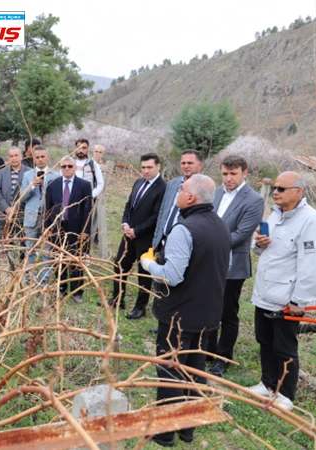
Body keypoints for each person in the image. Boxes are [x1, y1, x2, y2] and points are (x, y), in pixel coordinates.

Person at [140, 174, 230, 447]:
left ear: (191, 198)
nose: (178, 192)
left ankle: (165, 432)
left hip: (179, 315)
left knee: (170, 371)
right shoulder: (220, 226)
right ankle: (187, 428)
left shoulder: (184, 228)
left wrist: (148, 264)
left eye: (182, 189)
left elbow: (172, 275)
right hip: (207, 315)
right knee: (194, 371)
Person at [247, 171, 316, 411]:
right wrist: (258, 244)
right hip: (266, 292)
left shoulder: (310, 220)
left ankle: (285, 395)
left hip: (288, 299)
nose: (275, 192)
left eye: (281, 189)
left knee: (285, 347)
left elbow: (310, 265)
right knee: (264, 340)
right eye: (274, 188)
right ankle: (267, 383)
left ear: (298, 192)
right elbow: (260, 250)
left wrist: (300, 300)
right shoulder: (276, 216)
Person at [207, 155, 265, 376]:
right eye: (224, 174)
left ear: (244, 173)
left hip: (232, 264)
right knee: (210, 307)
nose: (228, 178)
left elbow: (241, 234)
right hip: (209, 262)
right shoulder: (216, 193)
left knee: (227, 313)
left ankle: (223, 358)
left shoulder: (254, 200)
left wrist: (207, 241)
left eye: (233, 174)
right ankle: (208, 351)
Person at [110, 153, 167, 318]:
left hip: (146, 238)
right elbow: (129, 206)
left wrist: (137, 231)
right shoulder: (139, 182)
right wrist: (125, 224)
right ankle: (117, 299)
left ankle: (140, 308)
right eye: (143, 167)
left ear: (158, 166)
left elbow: (156, 216)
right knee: (119, 266)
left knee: (144, 274)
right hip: (128, 235)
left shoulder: (163, 188)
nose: (146, 171)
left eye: (149, 167)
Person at [44, 156, 92, 302]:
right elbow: (48, 208)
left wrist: (86, 230)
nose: (66, 169)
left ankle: (77, 292)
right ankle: (61, 289)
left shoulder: (84, 185)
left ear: (75, 167)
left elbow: (88, 209)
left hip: (77, 229)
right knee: (59, 260)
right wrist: (47, 228)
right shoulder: (53, 184)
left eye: (69, 166)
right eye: (63, 166)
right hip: (58, 228)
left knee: (76, 260)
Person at [19, 145, 60, 281]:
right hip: (31, 218)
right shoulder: (27, 175)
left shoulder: (56, 175)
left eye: (43, 157)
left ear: (48, 157)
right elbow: (21, 198)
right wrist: (31, 186)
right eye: (37, 157)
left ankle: (44, 280)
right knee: (29, 249)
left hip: (48, 219)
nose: (40, 160)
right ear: (33, 159)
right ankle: (29, 277)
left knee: (48, 250)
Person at [152, 149, 205, 249]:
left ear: (200, 165)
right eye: (183, 163)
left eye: (190, 163)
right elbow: (163, 212)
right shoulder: (172, 183)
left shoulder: (204, 189)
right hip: (162, 243)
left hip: (181, 245)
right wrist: (155, 240)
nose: (186, 166)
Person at [0, 146, 30, 245]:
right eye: (11, 156)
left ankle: (22, 259)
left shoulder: (29, 171)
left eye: (16, 155)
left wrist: (17, 207)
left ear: (21, 157)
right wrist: (6, 207)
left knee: (23, 240)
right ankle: (7, 258)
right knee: (6, 239)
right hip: (4, 212)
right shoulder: (3, 171)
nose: (14, 158)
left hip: (21, 212)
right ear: (8, 158)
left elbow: (30, 192)